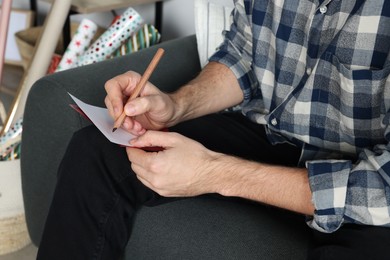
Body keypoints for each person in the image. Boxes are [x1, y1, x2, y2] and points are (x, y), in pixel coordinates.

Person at [37, 0, 390, 259]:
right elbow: (244, 55)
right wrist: (176, 106)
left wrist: (215, 173)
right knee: (97, 152)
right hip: (273, 132)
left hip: (366, 182)